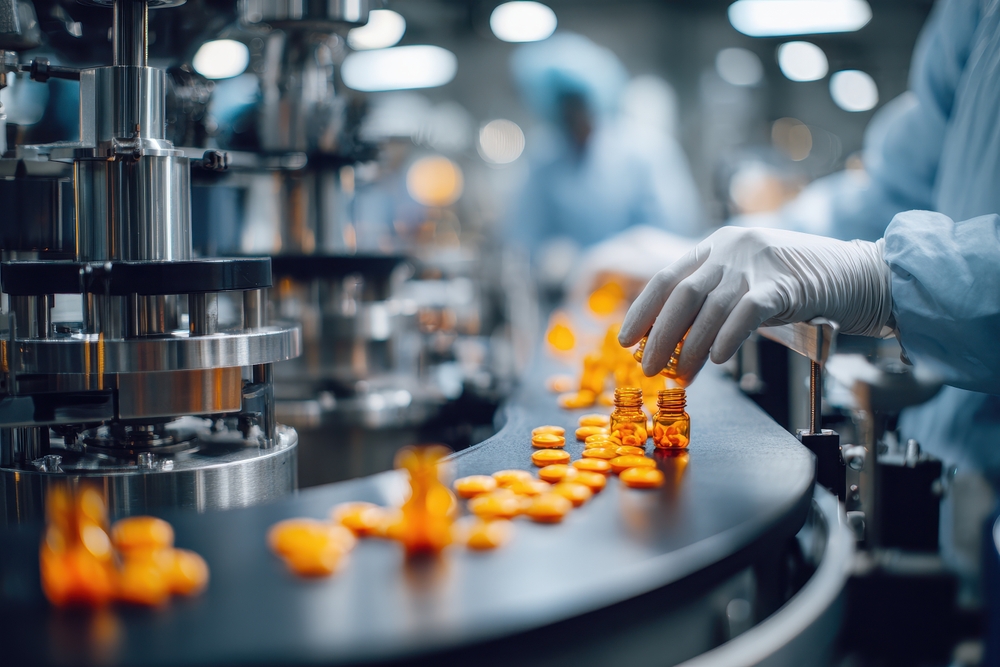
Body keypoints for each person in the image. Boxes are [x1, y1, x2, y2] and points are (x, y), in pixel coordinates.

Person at [506, 34, 702, 263]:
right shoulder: (545, 156)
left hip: (640, 282)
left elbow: (674, 230)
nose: (573, 115)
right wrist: (551, 259)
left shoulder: (646, 151)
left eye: (578, 103)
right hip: (570, 290)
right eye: (564, 107)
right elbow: (525, 231)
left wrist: (619, 257)